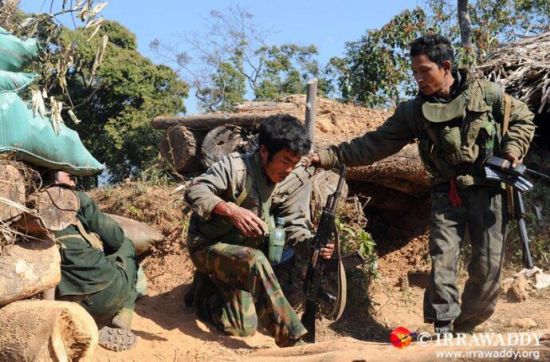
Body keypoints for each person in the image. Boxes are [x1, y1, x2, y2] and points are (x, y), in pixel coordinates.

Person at [309, 35, 535, 334]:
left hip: (489, 189)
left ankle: (464, 327)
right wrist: (327, 156)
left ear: (446, 66)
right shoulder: (413, 112)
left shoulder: (489, 95)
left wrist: (511, 152)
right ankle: (442, 324)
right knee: (443, 259)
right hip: (447, 192)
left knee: (487, 269)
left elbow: (523, 119)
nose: (418, 78)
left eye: (424, 70)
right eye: (414, 72)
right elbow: (375, 144)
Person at [183, 114, 334, 346]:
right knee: (255, 260)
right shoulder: (235, 168)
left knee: (241, 326)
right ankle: (291, 338)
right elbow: (196, 191)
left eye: (295, 162)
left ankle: (204, 292)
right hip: (207, 247)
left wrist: (313, 245)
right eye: (285, 161)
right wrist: (230, 210)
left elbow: (295, 225)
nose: (290, 169)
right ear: (264, 151)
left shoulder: (293, 179)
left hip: (243, 258)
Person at [47, 170, 139, 351]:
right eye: (70, 177)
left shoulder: (27, 209)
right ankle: (125, 310)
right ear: (55, 179)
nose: (74, 182)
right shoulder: (75, 199)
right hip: (104, 295)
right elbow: (115, 238)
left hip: (65, 305)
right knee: (126, 245)